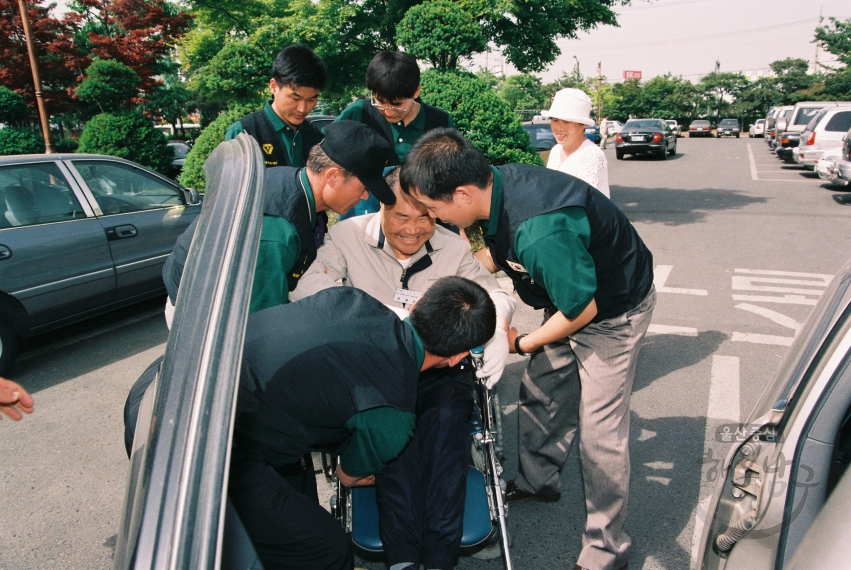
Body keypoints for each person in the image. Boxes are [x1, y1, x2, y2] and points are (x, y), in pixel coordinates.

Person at [400, 128, 656, 570]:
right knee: (541, 390)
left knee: (600, 436)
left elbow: (583, 309)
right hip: (567, 296)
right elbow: (498, 256)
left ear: (461, 194)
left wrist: (521, 341)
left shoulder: (537, 230)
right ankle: (539, 480)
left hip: (612, 313)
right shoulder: (496, 189)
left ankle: (607, 551)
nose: (432, 218)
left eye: (433, 207)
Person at [124, 279, 496, 570]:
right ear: (458, 357)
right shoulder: (392, 414)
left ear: (415, 305)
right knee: (325, 548)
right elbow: (347, 476)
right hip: (194, 445)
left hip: (163, 382)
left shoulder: (350, 298)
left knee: (295, 495)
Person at [291, 168, 515, 570]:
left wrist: (497, 329)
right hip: (375, 371)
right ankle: (404, 559)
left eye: (424, 217)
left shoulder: (451, 247)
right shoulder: (348, 236)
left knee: (447, 436)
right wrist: (383, 316)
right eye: (401, 217)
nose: (413, 230)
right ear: (381, 206)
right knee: (397, 447)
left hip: (440, 369)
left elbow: (494, 293)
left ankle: (441, 556)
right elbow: (307, 291)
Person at [162, 120, 397, 323]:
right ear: (332, 177)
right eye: (364, 187)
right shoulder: (277, 230)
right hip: (201, 311)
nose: (366, 197)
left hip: (237, 297)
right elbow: (259, 323)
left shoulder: (297, 184)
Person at [335, 50, 454, 219]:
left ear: (416, 91)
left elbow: (453, 174)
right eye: (380, 102)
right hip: (364, 213)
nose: (389, 112)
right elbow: (327, 151)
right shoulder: (359, 113)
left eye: (398, 105)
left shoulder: (439, 121)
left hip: (420, 217)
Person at [225, 44, 327, 168]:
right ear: (273, 86)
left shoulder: (317, 138)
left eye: (311, 100)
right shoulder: (244, 133)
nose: (302, 109)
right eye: (295, 98)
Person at [544, 88, 611, 198]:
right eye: (555, 120)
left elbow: (584, 201)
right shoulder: (556, 150)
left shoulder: (592, 155)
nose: (559, 127)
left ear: (583, 125)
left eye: (567, 121)